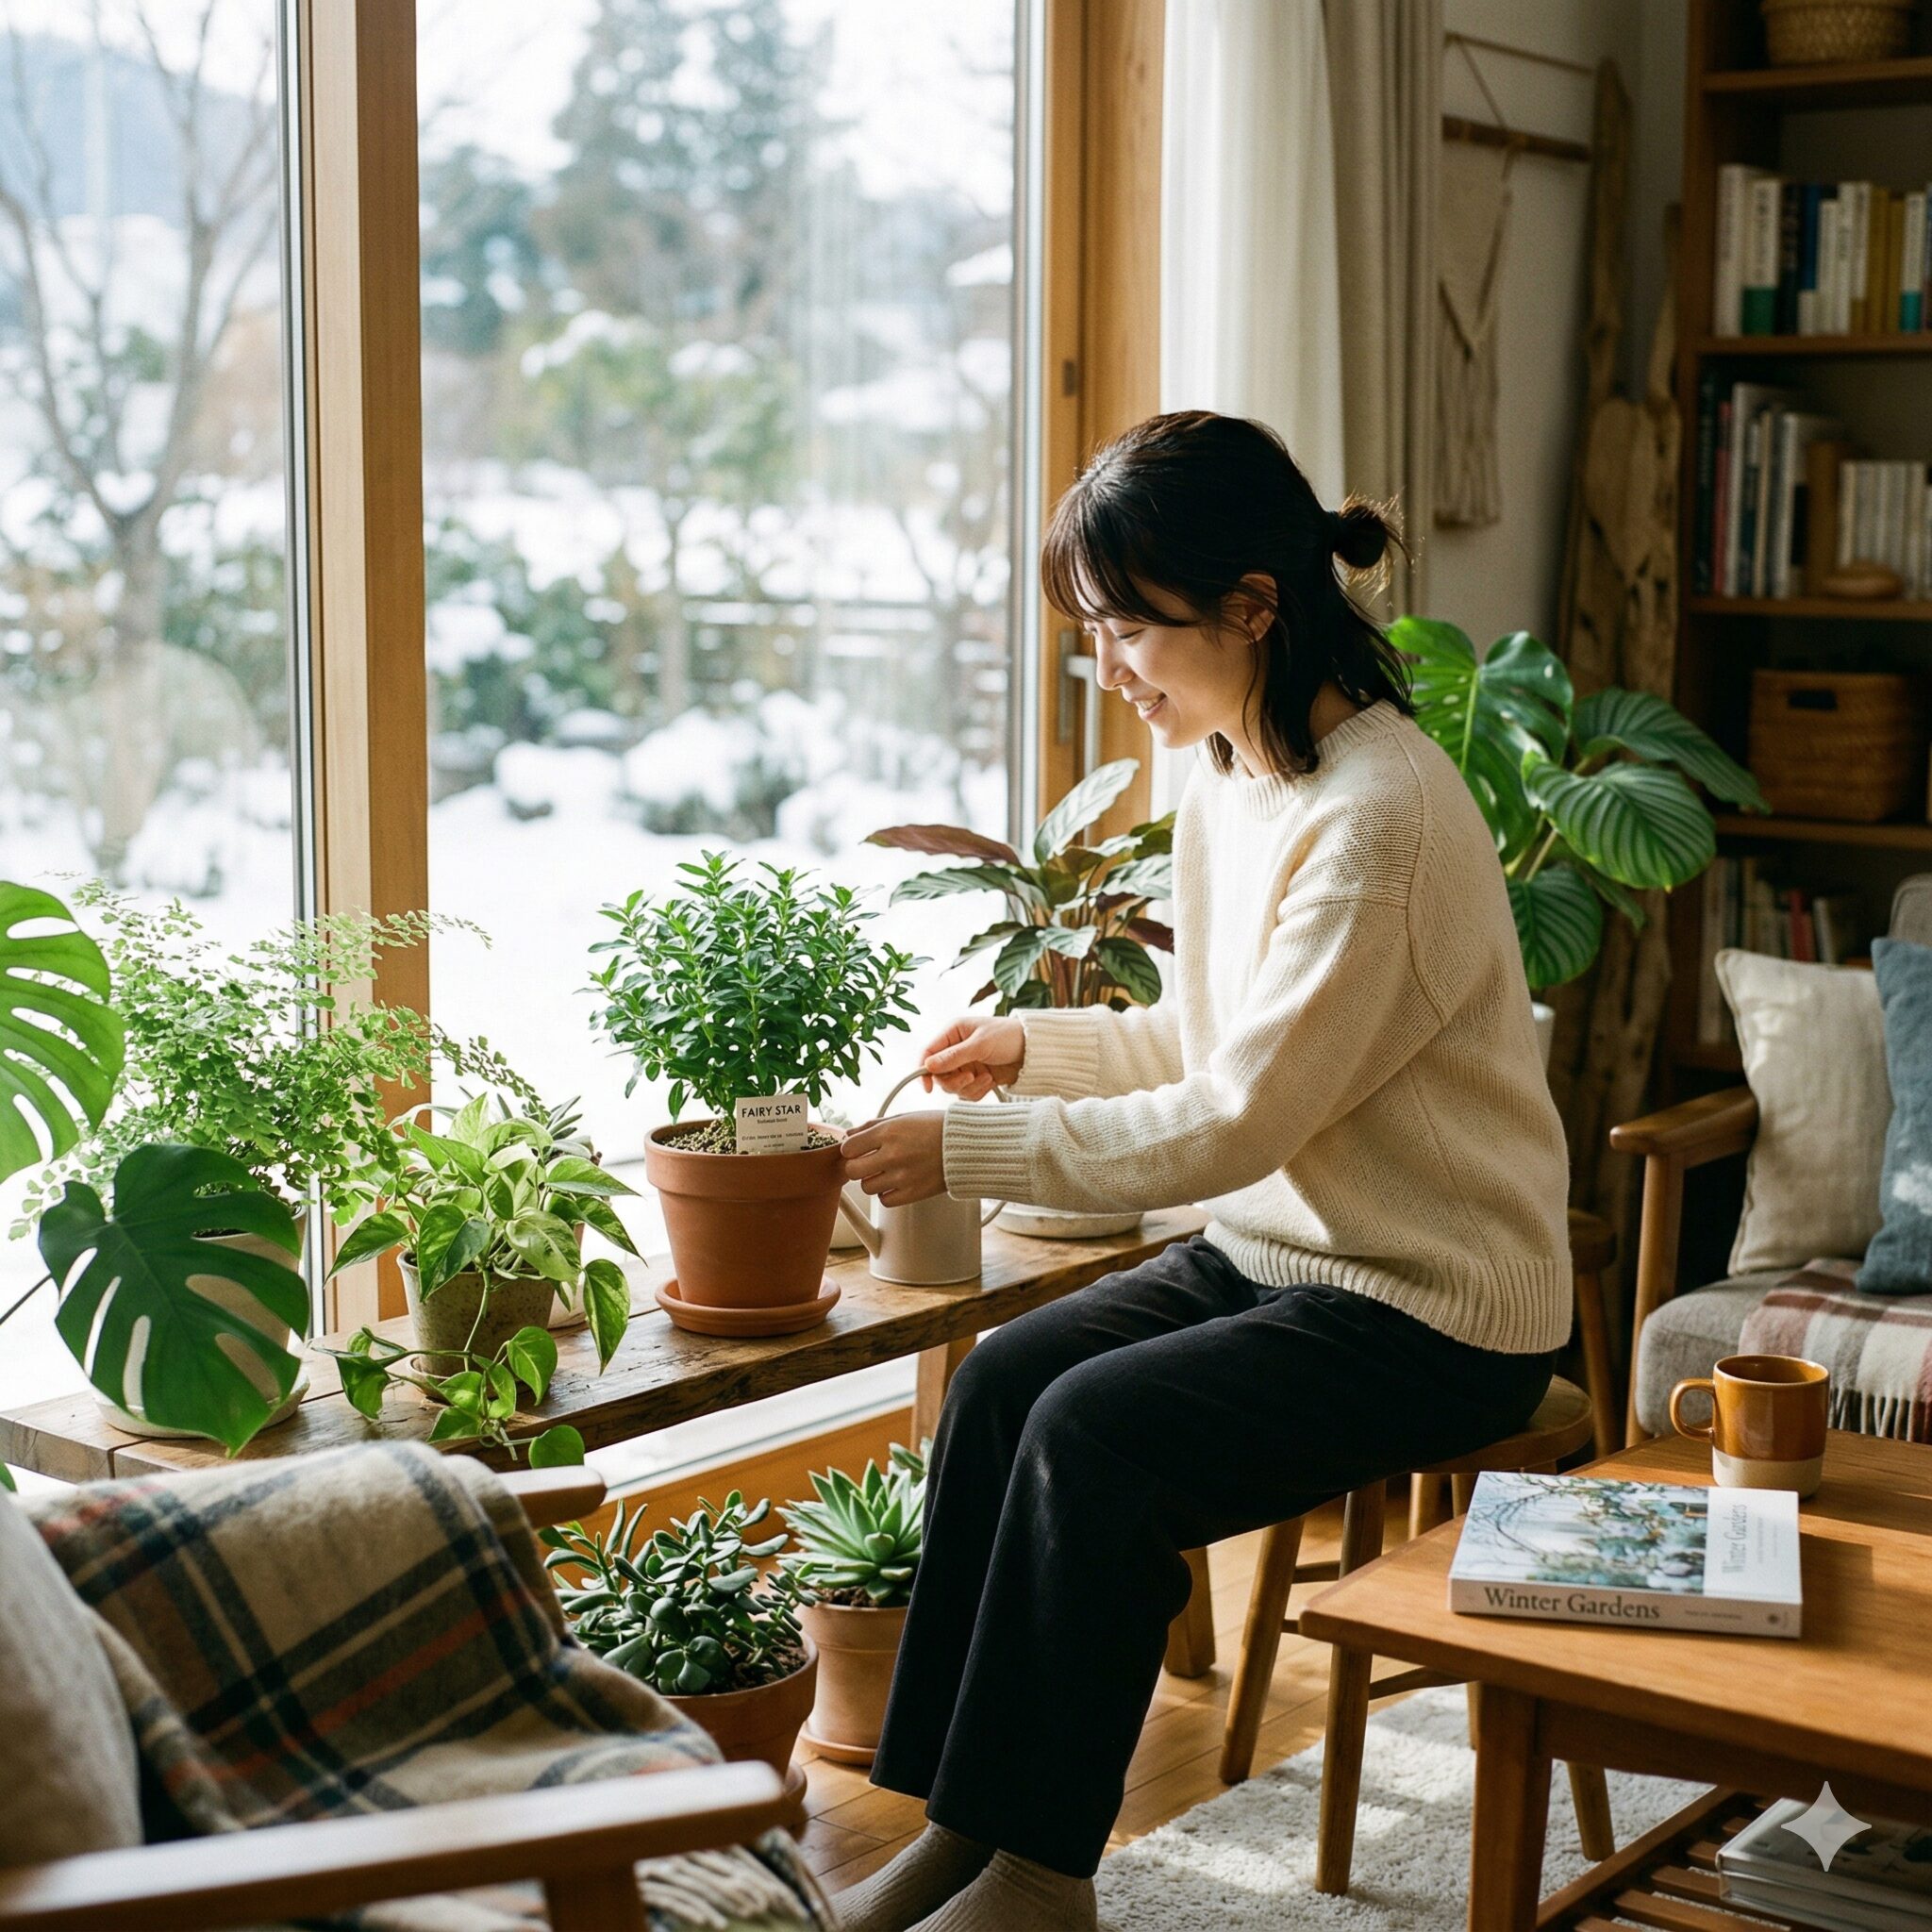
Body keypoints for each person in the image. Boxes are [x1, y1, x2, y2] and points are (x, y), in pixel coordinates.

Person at [831, 410, 1570, 1932]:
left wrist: (963, 1147)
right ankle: (963, 1833)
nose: (1109, 669)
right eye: (1091, 633)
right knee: (1002, 1383)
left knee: (1095, 1435)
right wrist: (1032, 1046)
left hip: (1437, 1306)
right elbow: (1209, 1037)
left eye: (1129, 629)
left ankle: (1040, 1878)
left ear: (1252, 606)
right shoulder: (1235, 772)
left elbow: (1237, 1120)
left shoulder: (1381, 820)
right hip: (1284, 1256)